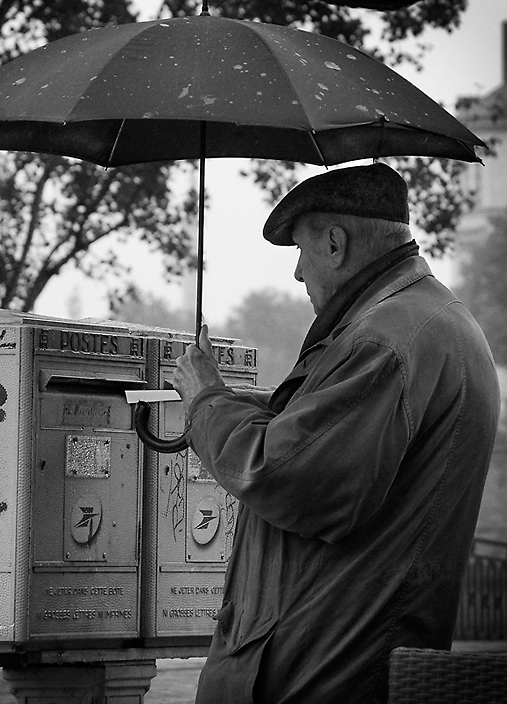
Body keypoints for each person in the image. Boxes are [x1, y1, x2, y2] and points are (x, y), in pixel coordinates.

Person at [173, 163, 501, 704]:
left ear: (334, 244)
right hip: (342, 658)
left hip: (320, 670)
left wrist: (207, 403)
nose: (298, 275)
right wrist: (234, 402)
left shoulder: (384, 339)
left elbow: (284, 473)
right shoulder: (423, 319)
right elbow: (322, 426)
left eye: (300, 252)